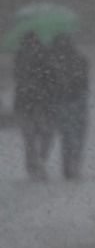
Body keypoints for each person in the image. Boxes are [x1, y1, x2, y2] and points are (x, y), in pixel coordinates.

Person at [45, 35, 90, 180]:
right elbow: (84, 81)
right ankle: (74, 164)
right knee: (78, 134)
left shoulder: (52, 62)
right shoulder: (80, 59)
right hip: (77, 100)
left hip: (60, 101)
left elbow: (49, 83)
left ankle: (67, 166)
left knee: (66, 136)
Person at [13, 33, 55, 181]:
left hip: (24, 103)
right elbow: (51, 79)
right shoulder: (44, 55)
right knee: (46, 134)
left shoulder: (19, 56)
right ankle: (41, 160)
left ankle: (31, 165)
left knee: (29, 137)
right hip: (43, 103)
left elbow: (17, 79)